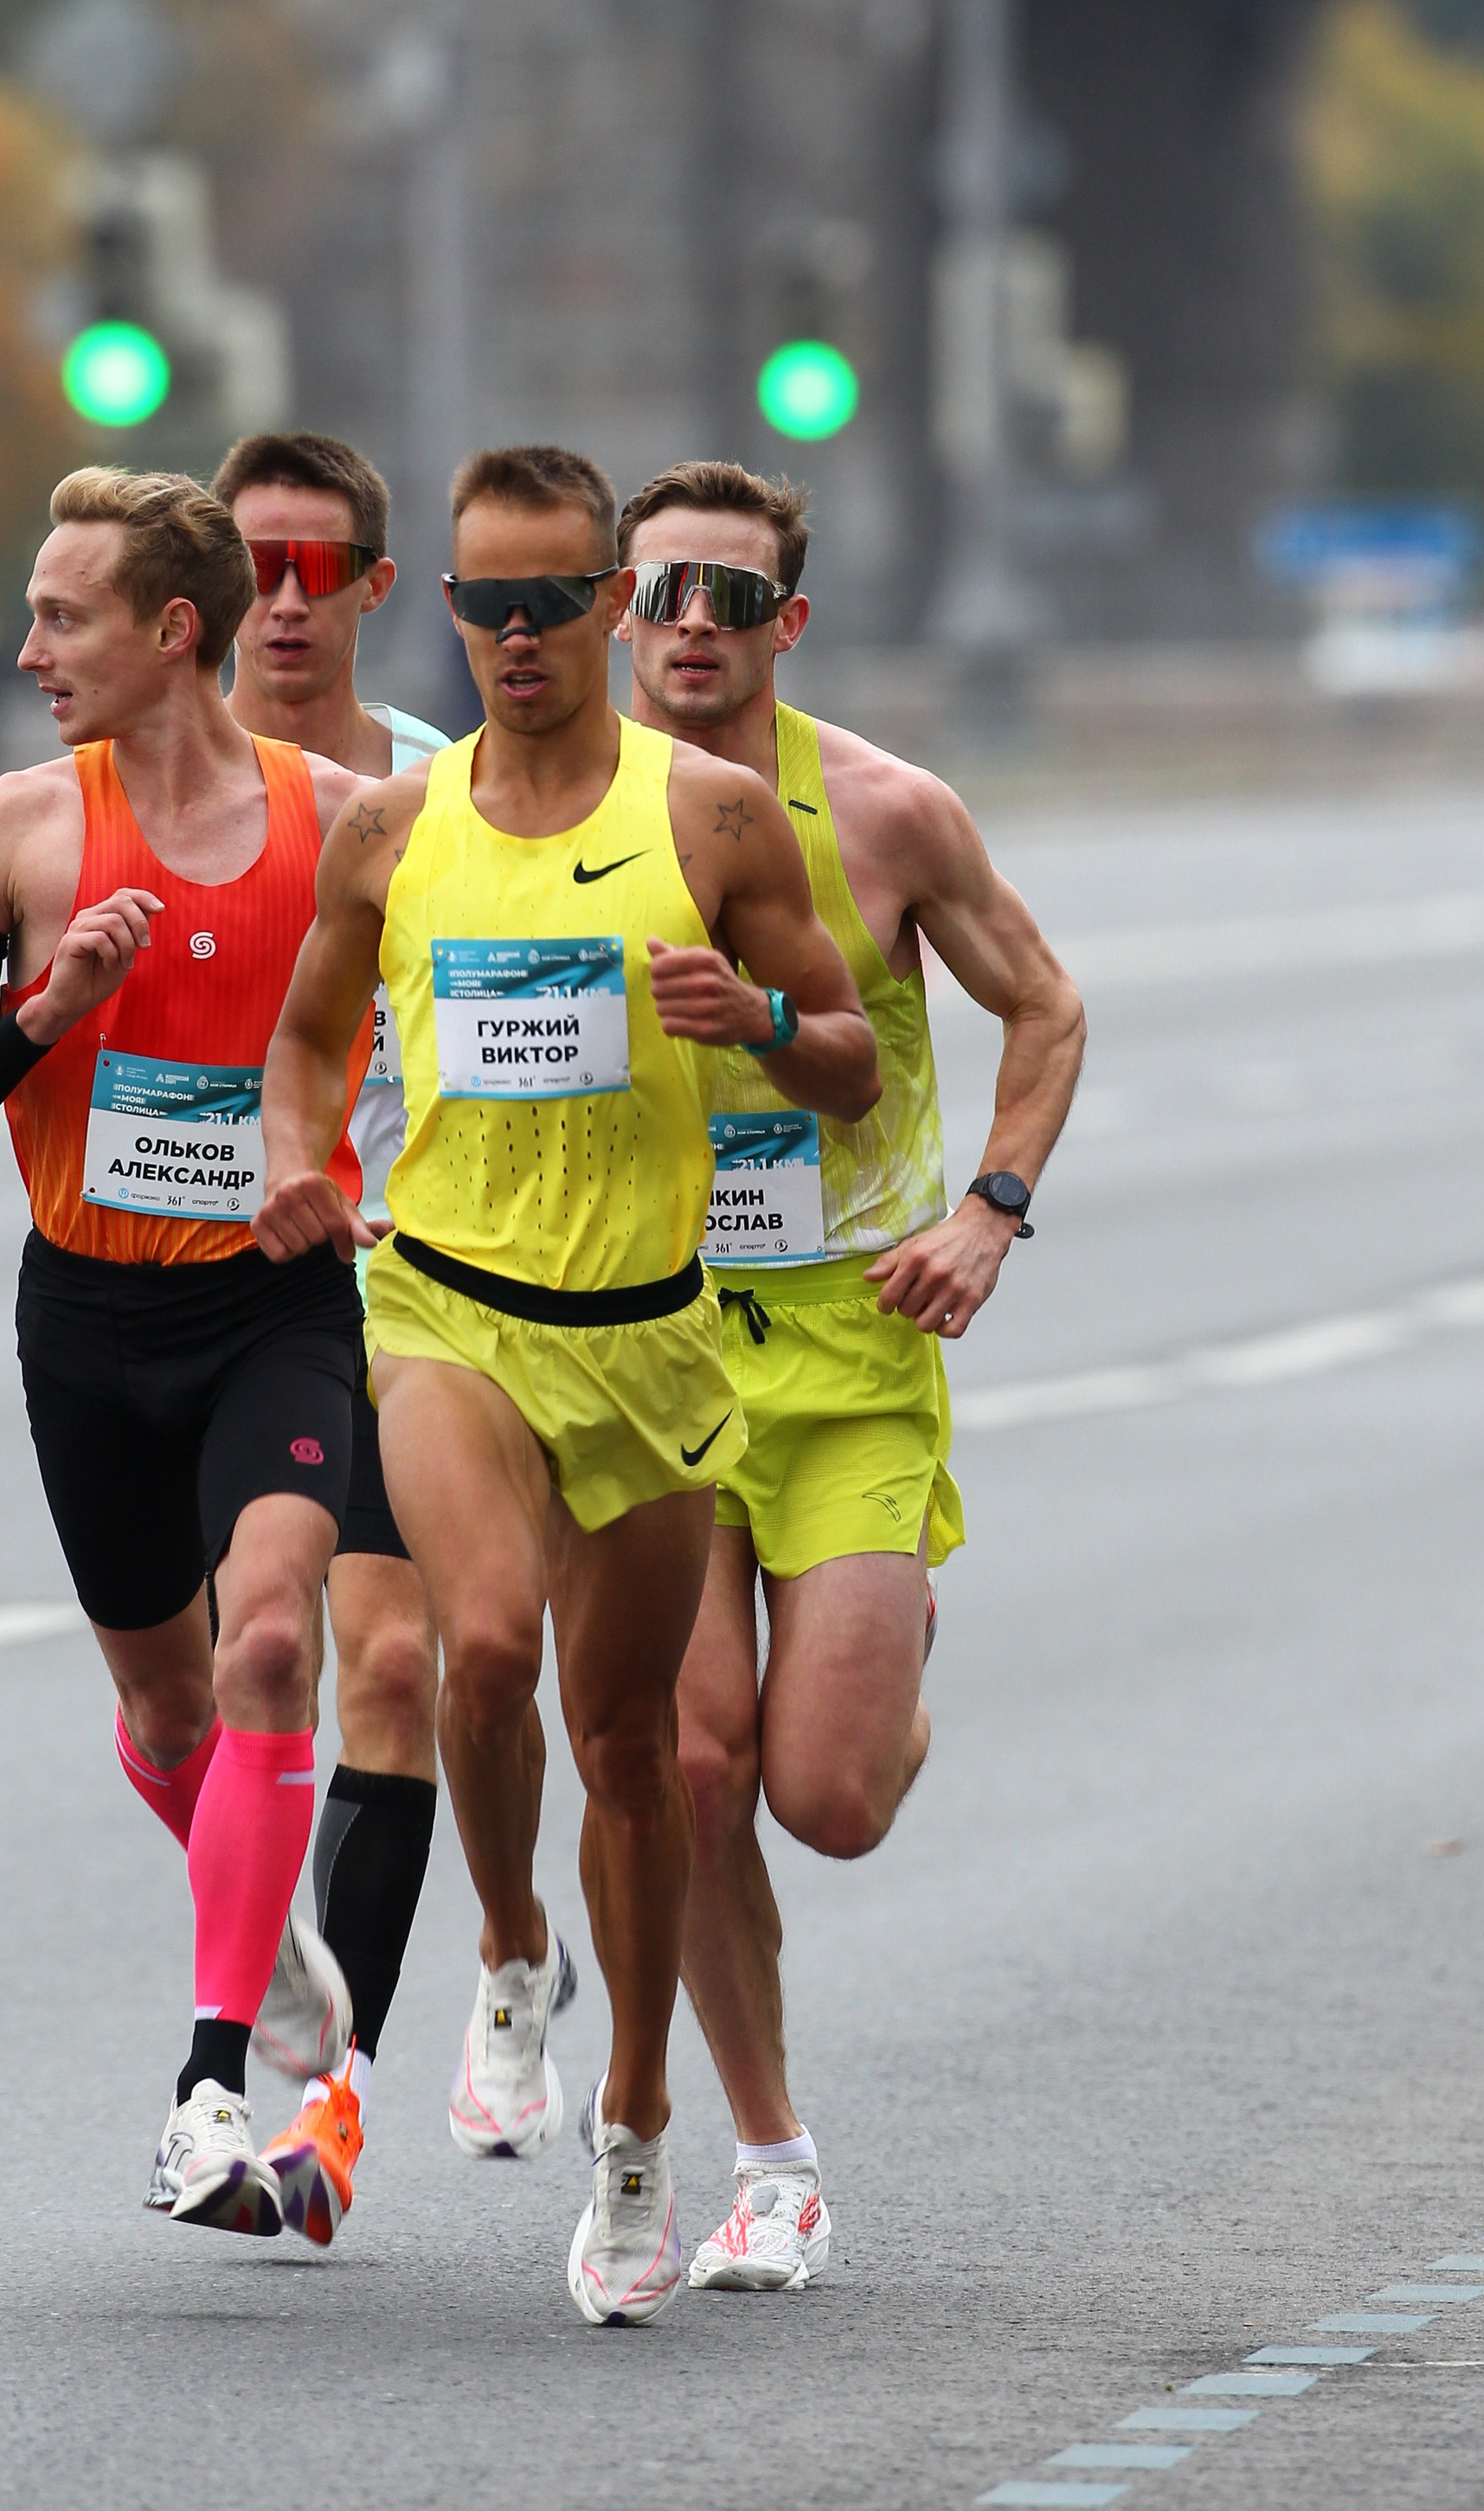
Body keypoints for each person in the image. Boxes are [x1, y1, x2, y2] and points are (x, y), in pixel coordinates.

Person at [253, 441, 881, 2327]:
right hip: (445, 1304)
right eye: (480, 604)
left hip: (650, 1334)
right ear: (440, 611)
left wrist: (760, 1021)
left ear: (611, 608)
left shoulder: (710, 823)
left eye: (548, 603)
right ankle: (510, 1955)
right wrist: (299, 1155)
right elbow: (301, 1044)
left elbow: (847, 1058)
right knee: (482, 1647)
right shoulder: (393, 825)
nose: (513, 639)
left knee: (633, 1759)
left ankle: (633, 2132)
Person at [0, 466, 379, 2244]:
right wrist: (47, 1009)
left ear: (174, 633)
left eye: (63, 617)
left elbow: (467, 1054)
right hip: (89, 1323)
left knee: (264, 1643)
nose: (26, 651)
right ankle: (281, 1955)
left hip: (278, 1307)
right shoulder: (11, 833)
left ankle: (210, 2084)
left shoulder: (352, 824)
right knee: (165, 1712)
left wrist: (359, 1189)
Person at [618, 458, 1086, 2292]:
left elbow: (1040, 1005)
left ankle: (884, 1666)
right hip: (641, 1351)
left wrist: (984, 1212)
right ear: (616, 608)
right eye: (659, 592)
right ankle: (770, 2158)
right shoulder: (554, 812)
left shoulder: (886, 814)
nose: (688, 628)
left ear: (783, 626)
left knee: (825, 1795)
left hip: (845, 1342)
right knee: (690, 1760)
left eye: (729, 599)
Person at [209, 427, 451, 2240]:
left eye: (317, 569)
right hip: (173, 1311)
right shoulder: (117, 785)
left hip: (393, 1289)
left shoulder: (447, 796)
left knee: (380, 1671)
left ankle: (321, 2104)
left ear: (373, 587)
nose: (283, 601)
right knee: (200, 1700)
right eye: (253, 566)